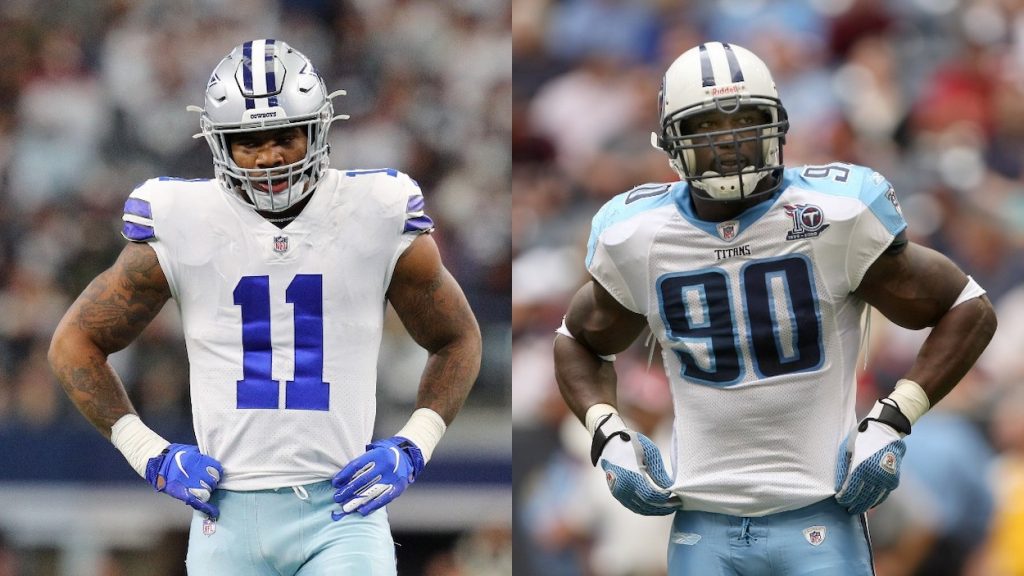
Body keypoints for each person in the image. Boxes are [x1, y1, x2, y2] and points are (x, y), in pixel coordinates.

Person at [552, 41, 997, 576]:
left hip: (820, 517)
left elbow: (967, 305)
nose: (731, 142)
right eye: (707, 127)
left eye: (746, 120)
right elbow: (577, 340)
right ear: (672, 141)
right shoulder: (638, 235)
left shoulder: (834, 214)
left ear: (778, 124)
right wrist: (608, 436)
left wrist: (893, 418)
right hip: (702, 522)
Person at [48, 39, 482, 575]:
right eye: (247, 141)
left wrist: (416, 443)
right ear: (219, 144)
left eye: (284, 137)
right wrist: (149, 453)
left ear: (318, 130)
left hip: (343, 507)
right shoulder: (182, 219)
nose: (269, 156)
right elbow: (74, 343)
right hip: (226, 513)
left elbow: (457, 337)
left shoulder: (376, 212)